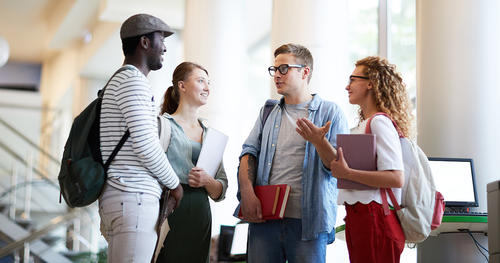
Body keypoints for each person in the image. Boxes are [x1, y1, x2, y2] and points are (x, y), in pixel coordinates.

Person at [236, 43, 349, 263]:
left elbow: (338, 170)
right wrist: (247, 194)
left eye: (284, 69)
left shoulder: (330, 112)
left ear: (305, 72)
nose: (277, 75)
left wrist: (319, 142)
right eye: (274, 69)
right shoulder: (268, 111)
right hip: (265, 218)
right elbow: (248, 153)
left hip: (309, 223)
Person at [296, 56, 412, 262]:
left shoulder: (379, 123)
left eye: (353, 79)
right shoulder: (366, 124)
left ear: (371, 83)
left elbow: (396, 178)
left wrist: (348, 173)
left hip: (374, 217)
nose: (347, 86)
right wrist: (319, 142)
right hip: (362, 215)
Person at [98, 14, 184, 263]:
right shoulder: (133, 81)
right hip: (133, 197)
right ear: (144, 43)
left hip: (122, 196)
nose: (165, 46)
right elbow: (146, 146)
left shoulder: (120, 80)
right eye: (161, 39)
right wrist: (174, 185)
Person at [156, 62, 228, 263]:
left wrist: (207, 181)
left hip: (200, 213)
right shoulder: (162, 126)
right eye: (200, 81)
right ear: (182, 86)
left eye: (209, 83)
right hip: (169, 209)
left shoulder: (210, 134)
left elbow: (221, 189)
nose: (207, 87)